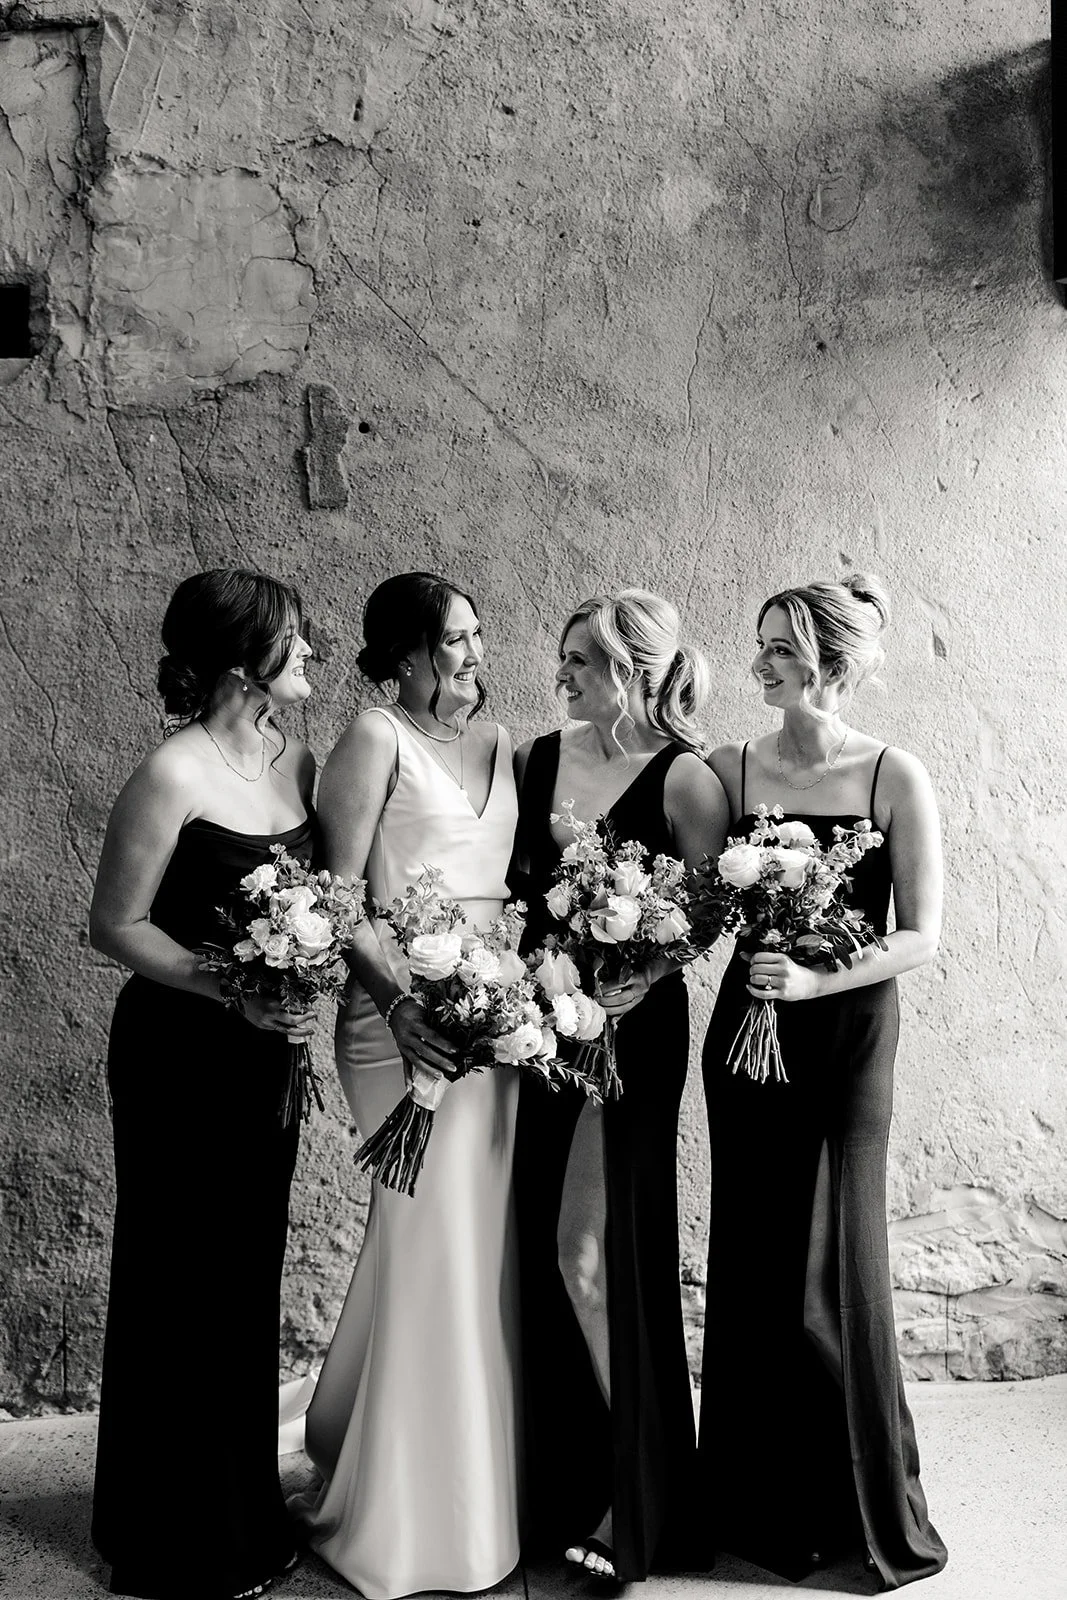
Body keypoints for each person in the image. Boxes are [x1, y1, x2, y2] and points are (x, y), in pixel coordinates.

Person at [698, 574, 948, 1589]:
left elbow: (919, 936)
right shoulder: (730, 767)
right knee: (754, 1252)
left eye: (776, 646)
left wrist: (811, 974)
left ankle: (855, 1509)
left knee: (832, 1262)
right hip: (747, 1031)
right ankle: (755, 1509)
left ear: (825, 662)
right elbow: (700, 901)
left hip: (844, 1033)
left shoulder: (893, 774)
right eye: (756, 642)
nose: (756, 660)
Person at [289, 573, 521, 1600]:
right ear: (410, 655)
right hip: (398, 1030)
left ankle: (438, 1461)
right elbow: (339, 902)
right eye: (457, 640)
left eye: (475, 635)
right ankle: (415, 1516)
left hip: (496, 1024)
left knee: (470, 1248)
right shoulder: (372, 739)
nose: (474, 654)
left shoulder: (503, 744)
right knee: (430, 1241)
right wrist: (400, 1008)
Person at [90, 569, 317, 1600]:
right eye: (293, 638)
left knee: (243, 1277)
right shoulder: (170, 774)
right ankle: (170, 1532)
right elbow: (117, 924)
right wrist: (231, 988)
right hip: (178, 1060)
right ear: (239, 664)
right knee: (178, 1280)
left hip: (264, 1058)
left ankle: (244, 1505)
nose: (308, 650)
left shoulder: (291, 755)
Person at [510, 589, 729, 1583]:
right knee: (538, 1252)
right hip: (542, 1025)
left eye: (580, 663)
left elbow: (710, 906)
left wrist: (646, 966)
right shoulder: (538, 760)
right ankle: (562, 1479)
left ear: (636, 670)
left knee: (590, 1252)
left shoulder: (684, 778)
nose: (561, 678)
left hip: (630, 1036)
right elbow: (517, 892)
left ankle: (635, 1496)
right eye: (561, 661)